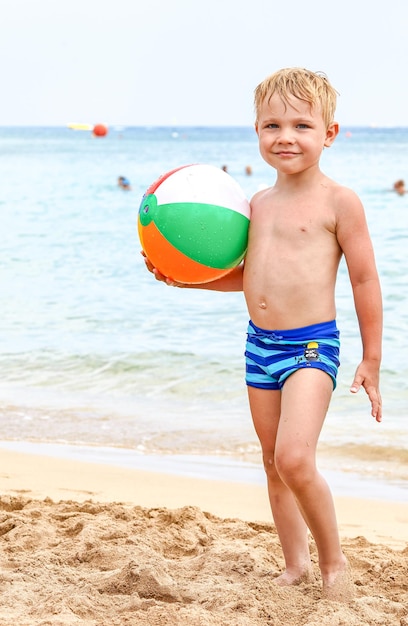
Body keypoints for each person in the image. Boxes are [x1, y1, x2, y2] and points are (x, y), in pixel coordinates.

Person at [142, 67, 383, 601]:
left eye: (302, 125)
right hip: (260, 347)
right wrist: (184, 280)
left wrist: (371, 358)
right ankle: (294, 565)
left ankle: (333, 562)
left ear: (330, 133)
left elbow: (364, 279)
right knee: (273, 463)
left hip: (311, 346)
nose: (286, 137)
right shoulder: (257, 205)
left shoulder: (340, 203)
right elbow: (249, 278)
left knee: (296, 459)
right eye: (272, 125)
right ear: (256, 132)